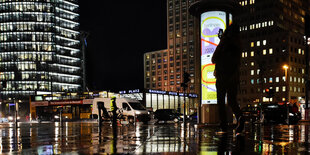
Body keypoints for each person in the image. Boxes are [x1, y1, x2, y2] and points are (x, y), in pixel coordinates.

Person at [211, 23, 245, 134]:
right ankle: (240, 116)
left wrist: (221, 42)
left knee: (221, 102)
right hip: (233, 78)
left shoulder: (224, 43)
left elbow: (214, 58)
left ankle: (224, 128)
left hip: (222, 77)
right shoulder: (238, 44)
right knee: (232, 101)